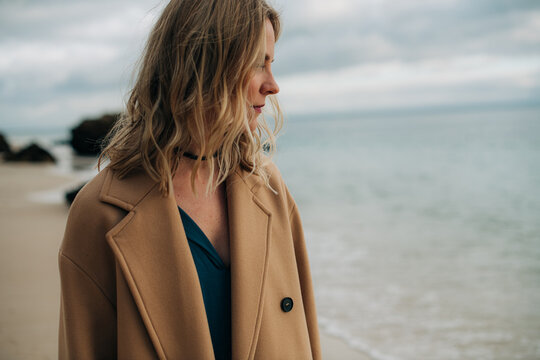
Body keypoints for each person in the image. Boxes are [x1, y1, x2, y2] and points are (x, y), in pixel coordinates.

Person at [58, 0, 321, 358]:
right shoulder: (99, 213)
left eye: (271, 64)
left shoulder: (269, 188)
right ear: (206, 65)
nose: (272, 86)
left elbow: (305, 333)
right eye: (259, 63)